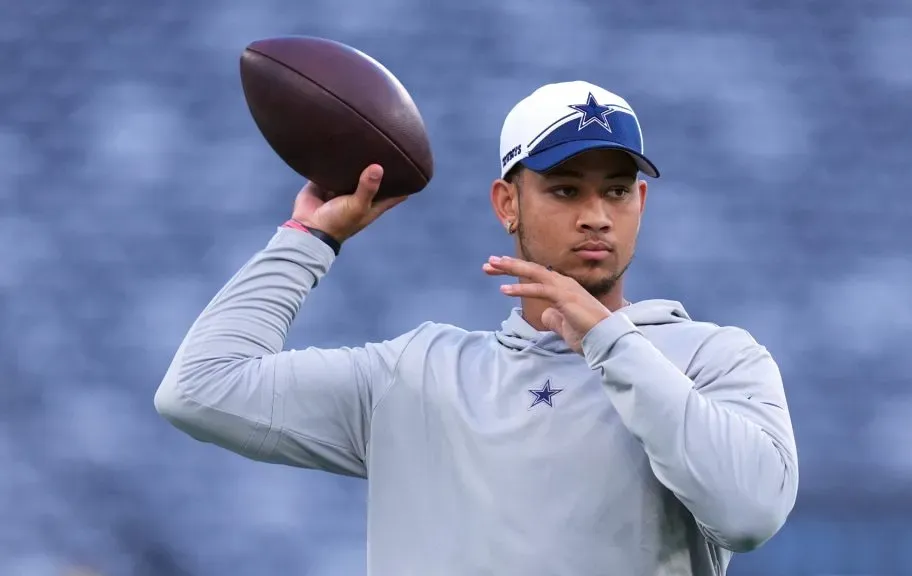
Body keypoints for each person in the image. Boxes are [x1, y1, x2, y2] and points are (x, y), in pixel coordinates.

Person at [155, 80, 798, 575]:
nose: (597, 216)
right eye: (566, 190)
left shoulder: (715, 358)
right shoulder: (417, 375)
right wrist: (310, 238)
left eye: (618, 191)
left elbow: (748, 513)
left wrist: (610, 341)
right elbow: (199, 389)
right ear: (506, 203)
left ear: (642, 203)